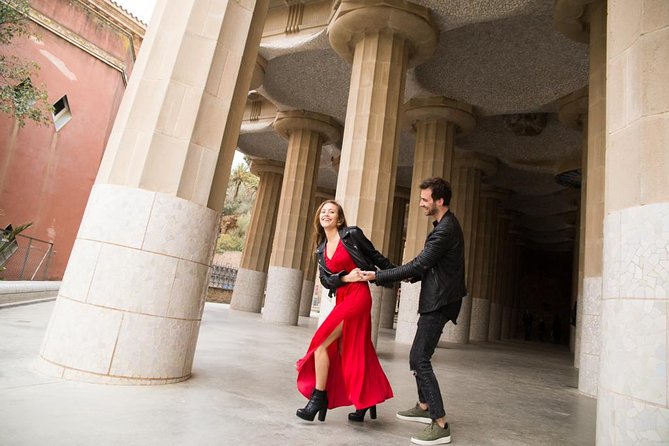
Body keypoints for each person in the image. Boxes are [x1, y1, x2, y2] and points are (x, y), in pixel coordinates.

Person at [361, 177, 465, 446]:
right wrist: (404, 274)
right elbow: (426, 265)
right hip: (437, 297)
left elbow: (420, 263)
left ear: (439, 201)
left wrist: (378, 275)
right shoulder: (443, 226)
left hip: (440, 301)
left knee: (420, 358)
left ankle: (440, 423)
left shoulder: (446, 229)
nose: (420, 203)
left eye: (425, 199)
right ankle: (423, 405)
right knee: (416, 356)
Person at [295, 200, 394, 423]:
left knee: (321, 344)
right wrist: (343, 278)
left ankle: (318, 398)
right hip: (342, 296)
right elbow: (325, 280)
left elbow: (375, 256)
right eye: (323, 211)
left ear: (339, 219)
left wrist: (398, 273)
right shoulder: (320, 248)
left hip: (358, 295)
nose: (326, 214)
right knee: (358, 347)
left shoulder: (351, 234)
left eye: (331, 212)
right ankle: (367, 400)